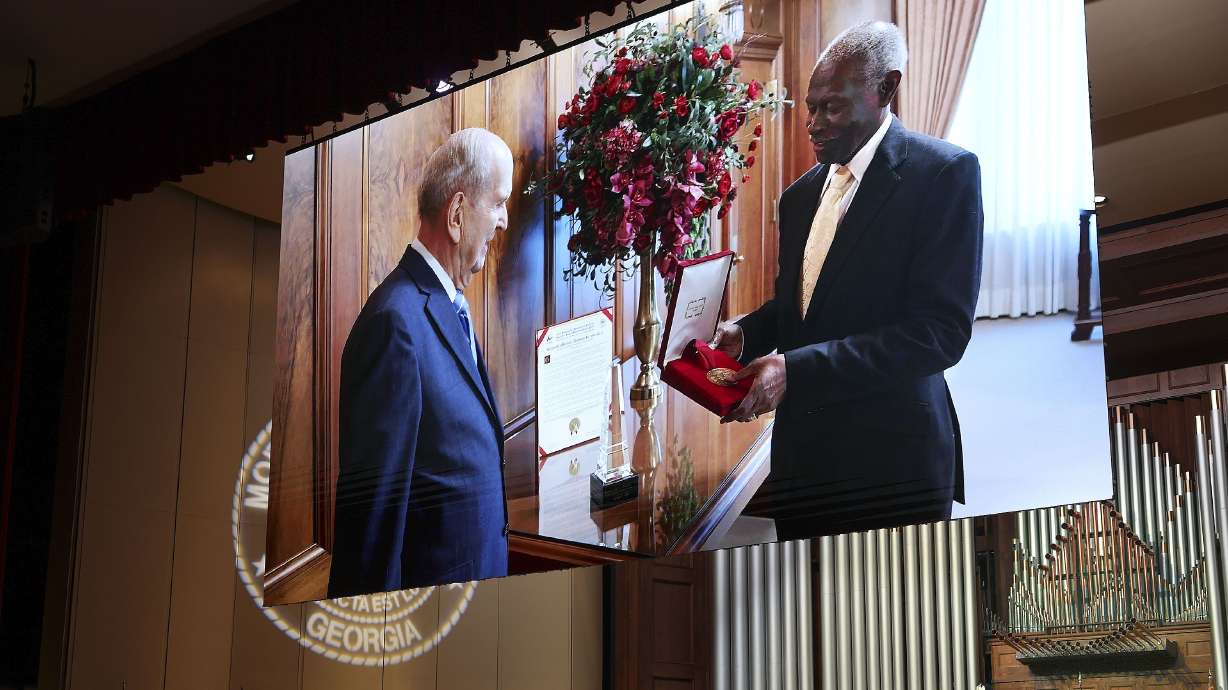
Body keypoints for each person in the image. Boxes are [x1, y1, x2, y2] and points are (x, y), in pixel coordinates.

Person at [711, 21, 983, 539]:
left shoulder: (946, 175)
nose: (813, 123)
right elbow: (802, 307)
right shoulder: (798, 197)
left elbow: (939, 335)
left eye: (831, 107)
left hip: (893, 463)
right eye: (811, 107)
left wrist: (797, 370)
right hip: (801, 465)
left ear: (887, 89)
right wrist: (747, 332)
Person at [328, 128, 513, 596]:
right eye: (497, 203)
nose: (505, 220)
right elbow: (372, 530)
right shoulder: (393, 326)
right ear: (456, 214)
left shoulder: (449, 306)